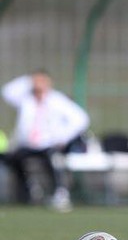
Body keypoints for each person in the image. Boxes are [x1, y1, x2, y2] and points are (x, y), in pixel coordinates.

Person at [1, 70, 90, 211]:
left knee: (52, 162)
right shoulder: (26, 99)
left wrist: (62, 137)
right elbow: (7, 92)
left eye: (42, 81)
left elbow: (81, 119)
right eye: (36, 81)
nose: (38, 85)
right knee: (14, 159)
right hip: (28, 144)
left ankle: (60, 193)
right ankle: (27, 192)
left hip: (48, 144)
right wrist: (27, 80)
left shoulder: (57, 100)